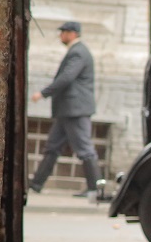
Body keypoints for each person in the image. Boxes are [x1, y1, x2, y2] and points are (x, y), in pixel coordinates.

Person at [28, 20, 100, 198]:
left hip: (75, 109)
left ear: (73, 33)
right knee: (52, 147)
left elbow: (67, 78)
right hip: (68, 110)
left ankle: (96, 189)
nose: (61, 35)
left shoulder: (78, 53)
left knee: (84, 149)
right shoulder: (76, 51)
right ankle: (36, 184)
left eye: (64, 32)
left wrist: (44, 93)